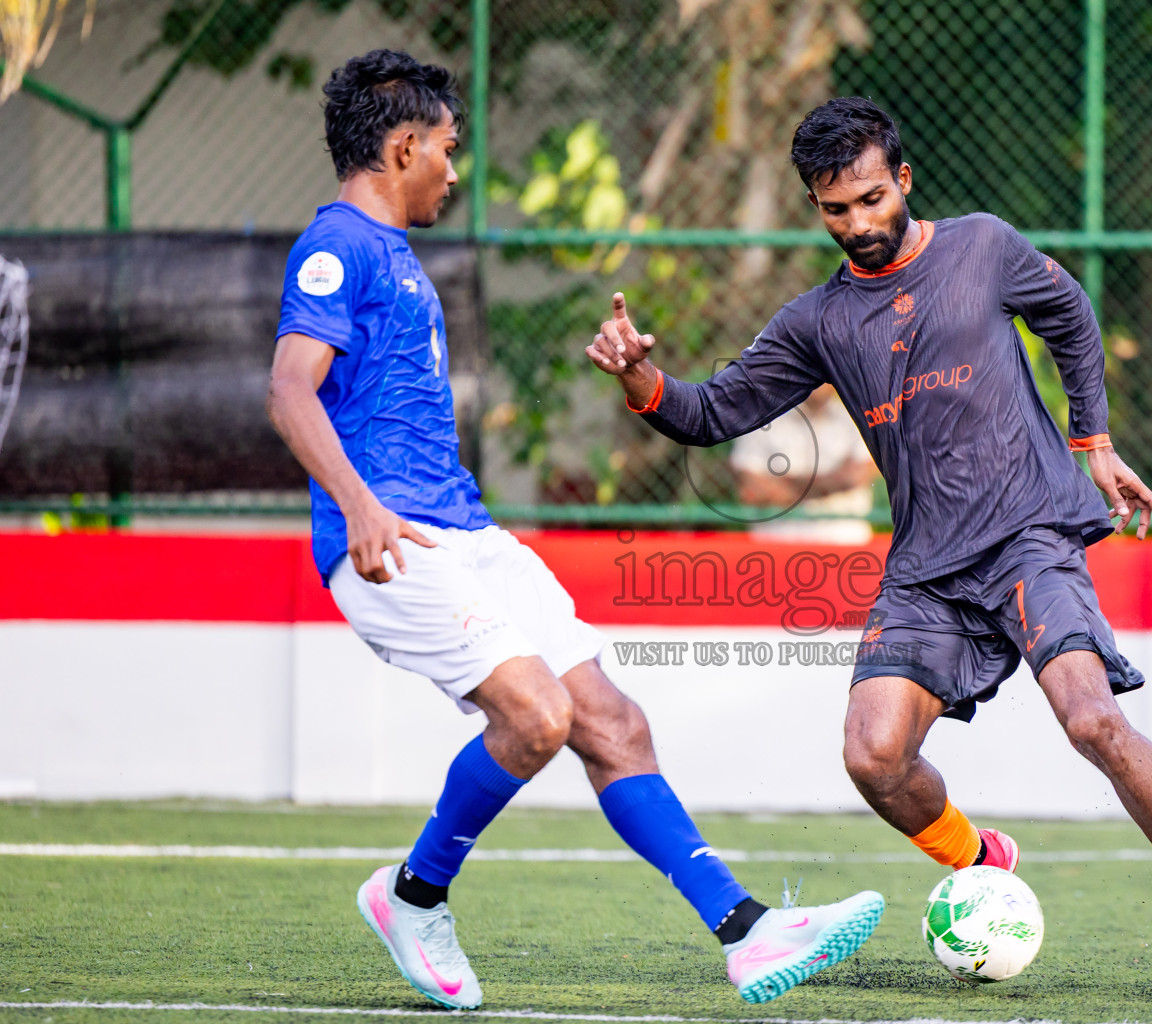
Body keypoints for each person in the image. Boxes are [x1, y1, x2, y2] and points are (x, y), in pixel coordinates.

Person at [587, 96, 1152, 1007]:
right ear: (816, 207)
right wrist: (640, 376)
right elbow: (709, 413)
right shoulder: (819, 322)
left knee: (1093, 723)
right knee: (872, 757)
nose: (860, 224)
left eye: (872, 198)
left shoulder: (982, 247)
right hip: (925, 572)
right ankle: (981, 861)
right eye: (837, 209)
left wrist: (1092, 443)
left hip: (1028, 537)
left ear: (903, 179)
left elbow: (1068, 314)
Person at [265, 52, 883, 1011]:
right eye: (446, 150)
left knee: (613, 722)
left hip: (465, 532)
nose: (454, 171)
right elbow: (287, 392)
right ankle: (413, 896)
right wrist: (359, 504)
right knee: (537, 718)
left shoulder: (392, 253)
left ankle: (747, 930)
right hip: (391, 545)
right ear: (402, 145)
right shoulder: (337, 247)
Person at [731, 382, 878, 544]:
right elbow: (753, 490)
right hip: (775, 546)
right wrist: (832, 483)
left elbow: (853, 478)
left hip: (845, 546)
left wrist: (783, 485)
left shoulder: (858, 418)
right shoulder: (761, 419)